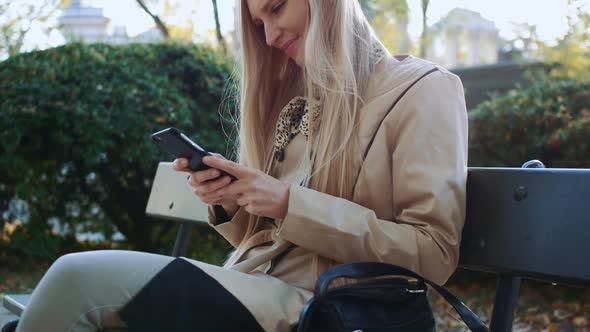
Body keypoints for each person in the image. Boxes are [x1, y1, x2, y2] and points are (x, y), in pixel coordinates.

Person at [7, 0, 468, 331]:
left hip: (328, 308)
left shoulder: (424, 90)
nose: (268, 36)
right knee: (18, 311)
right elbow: (267, 242)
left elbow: (434, 253)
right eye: (258, 21)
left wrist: (288, 202)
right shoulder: (301, 104)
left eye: (277, 8)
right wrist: (232, 202)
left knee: (76, 279)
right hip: (253, 287)